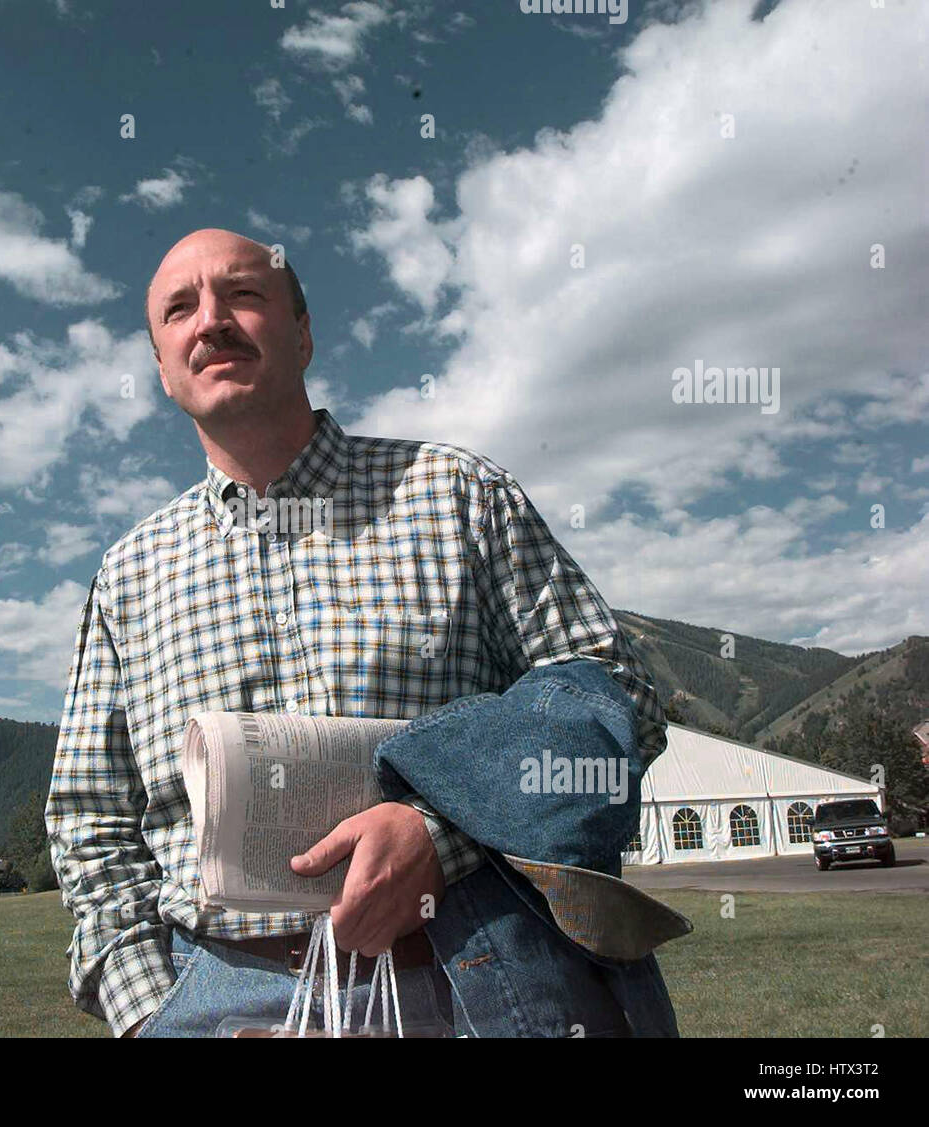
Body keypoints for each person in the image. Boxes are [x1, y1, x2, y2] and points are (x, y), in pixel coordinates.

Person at [45, 228, 675, 1038]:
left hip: (485, 982)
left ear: (303, 332)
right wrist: (153, 1016)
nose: (210, 320)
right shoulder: (126, 576)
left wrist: (439, 829)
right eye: (179, 309)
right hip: (223, 1002)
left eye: (242, 293)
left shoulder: (458, 495)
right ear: (164, 369)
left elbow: (618, 700)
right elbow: (90, 817)